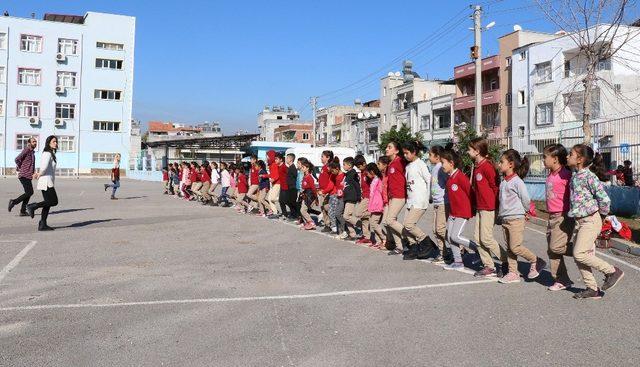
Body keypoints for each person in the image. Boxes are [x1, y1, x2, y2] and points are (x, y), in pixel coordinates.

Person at [567, 144, 624, 299]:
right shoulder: (575, 175)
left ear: (580, 159)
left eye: (570, 154)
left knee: (579, 254)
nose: (567, 156)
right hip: (580, 221)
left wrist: (602, 215)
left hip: (591, 220)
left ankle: (612, 271)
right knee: (579, 255)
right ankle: (592, 289)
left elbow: (604, 199)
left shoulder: (589, 176)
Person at [497, 149, 546, 284]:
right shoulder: (504, 181)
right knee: (510, 248)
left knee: (515, 247)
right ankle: (513, 273)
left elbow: (525, 198)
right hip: (506, 219)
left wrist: (525, 211)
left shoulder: (517, 181)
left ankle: (536, 260)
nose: (499, 164)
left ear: (511, 164)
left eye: (502, 162)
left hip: (516, 218)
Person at [468, 138, 507, 278]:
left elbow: (495, 186)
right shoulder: (477, 165)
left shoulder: (487, 166)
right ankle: (489, 266)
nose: (468, 152)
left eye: (470, 149)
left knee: (486, 238)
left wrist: (496, 206)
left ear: (477, 151)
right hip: (480, 206)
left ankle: (506, 261)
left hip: (489, 207)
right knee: (477, 239)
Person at [543, 144, 575, 291]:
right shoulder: (551, 174)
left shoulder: (566, 174)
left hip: (563, 216)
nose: (543, 160)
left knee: (555, 247)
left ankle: (582, 249)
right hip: (552, 215)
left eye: (545, 157)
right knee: (552, 250)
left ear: (555, 159)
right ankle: (562, 280)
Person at [440, 149, 473, 271]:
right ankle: (458, 261)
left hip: (463, 212)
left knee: (456, 236)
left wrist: (472, 209)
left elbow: (470, 192)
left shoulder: (460, 177)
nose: (442, 165)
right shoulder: (450, 179)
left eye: (443, 162)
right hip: (453, 213)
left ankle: (477, 248)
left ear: (451, 163)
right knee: (449, 237)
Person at [401, 140, 433, 260]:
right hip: (411, 200)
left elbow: (429, 180)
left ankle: (426, 242)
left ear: (414, 152)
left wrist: (429, 197)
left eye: (407, 153)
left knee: (409, 225)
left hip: (420, 200)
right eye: (404, 153)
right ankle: (414, 248)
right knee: (405, 226)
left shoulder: (421, 164)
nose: (405, 155)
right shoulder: (408, 166)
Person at [25, 135, 59, 231]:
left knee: (47, 204)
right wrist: (39, 174)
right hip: (46, 182)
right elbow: (43, 167)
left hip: (48, 181)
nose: (56, 143)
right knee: (54, 201)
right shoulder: (47, 153)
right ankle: (32, 206)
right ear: (48, 143)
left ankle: (42, 224)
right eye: (53, 141)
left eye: (56, 141)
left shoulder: (51, 153)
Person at [383, 141, 407, 254]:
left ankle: (412, 238)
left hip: (400, 195)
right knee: (391, 222)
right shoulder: (390, 163)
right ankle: (400, 247)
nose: (387, 149)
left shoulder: (400, 161)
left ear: (396, 151)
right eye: (387, 147)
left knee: (390, 220)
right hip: (392, 196)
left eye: (389, 147)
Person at [427, 145, 449, 264]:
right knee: (435, 230)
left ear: (438, 156)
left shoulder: (441, 167)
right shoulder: (435, 168)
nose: (428, 157)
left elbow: (448, 182)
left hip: (443, 202)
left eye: (430, 155)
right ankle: (443, 253)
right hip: (436, 203)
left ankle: (459, 249)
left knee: (440, 229)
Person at [9, 137, 37, 216]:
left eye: (35, 141)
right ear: (29, 143)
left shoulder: (32, 152)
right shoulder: (27, 150)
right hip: (24, 175)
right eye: (33, 141)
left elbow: (31, 164)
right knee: (30, 192)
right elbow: (17, 159)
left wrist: (33, 172)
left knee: (28, 193)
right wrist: (21, 167)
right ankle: (14, 202)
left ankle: (22, 211)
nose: (35, 143)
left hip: (28, 175)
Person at [366, 162, 386, 249]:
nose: (366, 175)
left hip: (378, 204)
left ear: (372, 171)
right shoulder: (374, 179)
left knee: (374, 223)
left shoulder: (378, 180)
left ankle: (385, 238)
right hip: (373, 204)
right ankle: (379, 241)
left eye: (367, 172)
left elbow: (381, 192)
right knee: (373, 223)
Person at [341, 157, 362, 240]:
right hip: (346, 197)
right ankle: (352, 234)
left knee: (346, 216)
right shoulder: (347, 174)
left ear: (349, 165)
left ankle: (362, 225)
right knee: (346, 216)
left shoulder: (353, 174)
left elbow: (357, 186)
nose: (343, 166)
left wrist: (358, 196)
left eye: (344, 164)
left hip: (351, 198)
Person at [354, 155, 372, 245]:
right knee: (364, 219)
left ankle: (373, 214)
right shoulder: (361, 172)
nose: (359, 168)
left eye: (359, 166)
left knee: (358, 213)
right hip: (364, 196)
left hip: (369, 197)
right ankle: (366, 236)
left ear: (364, 163)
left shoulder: (369, 171)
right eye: (357, 167)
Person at [318, 151, 335, 232]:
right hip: (322, 190)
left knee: (328, 208)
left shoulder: (329, 167)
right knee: (323, 208)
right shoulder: (324, 167)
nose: (321, 158)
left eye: (322, 156)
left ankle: (334, 224)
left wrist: (326, 191)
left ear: (328, 157)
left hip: (326, 191)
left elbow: (331, 180)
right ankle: (327, 224)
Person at [299, 160, 318, 230]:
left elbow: (313, 188)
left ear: (307, 168)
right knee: (302, 210)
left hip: (310, 196)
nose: (302, 168)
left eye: (303, 167)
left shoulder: (309, 177)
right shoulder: (305, 176)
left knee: (303, 210)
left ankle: (311, 222)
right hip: (305, 195)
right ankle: (307, 223)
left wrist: (316, 199)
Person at [267, 151, 281, 218]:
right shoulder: (271, 164)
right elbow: (271, 174)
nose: (267, 157)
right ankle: (275, 212)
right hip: (273, 184)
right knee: (269, 198)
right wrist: (264, 176)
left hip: (277, 183)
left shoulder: (274, 164)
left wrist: (273, 179)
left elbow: (278, 175)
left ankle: (282, 199)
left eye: (268, 156)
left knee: (272, 198)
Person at [285, 153, 299, 220]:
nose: (286, 159)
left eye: (287, 158)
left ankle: (296, 215)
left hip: (293, 187)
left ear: (291, 159)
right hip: (289, 187)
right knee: (289, 201)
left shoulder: (293, 168)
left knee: (292, 202)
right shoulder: (289, 167)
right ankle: (293, 214)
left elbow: (296, 177)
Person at [278, 153, 290, 219]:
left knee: (286, 201)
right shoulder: (279, 166)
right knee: (280, 200)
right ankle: (284, 213)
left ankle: (295, 212)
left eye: (277, 159)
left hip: (286, 186)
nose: (275, 160)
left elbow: (289, 175)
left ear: (281, 160)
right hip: (282, 186)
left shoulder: (284, 167)